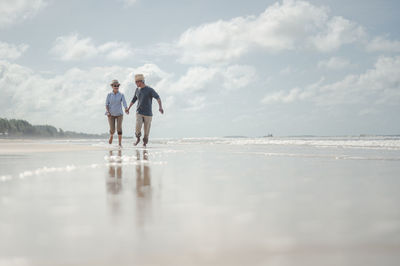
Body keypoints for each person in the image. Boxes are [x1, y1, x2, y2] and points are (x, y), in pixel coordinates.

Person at [127, 74, 164, 147]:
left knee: (146, 131)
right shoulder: (137, 90)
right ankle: (138, 138)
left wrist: (160, 107)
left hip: (148, 113)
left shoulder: (149, 89)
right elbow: (134, 99)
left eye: (136, 82)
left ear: (141, 81)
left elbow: (158, 98)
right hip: (139, 112)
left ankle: (144, 143)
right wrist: (128, 108)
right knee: (138, 127)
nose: (136, 84)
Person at [105, 79, 128, 147]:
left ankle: (120, 143)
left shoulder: (121, 95)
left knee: (119, 128)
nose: (116, 87)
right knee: (112, 129)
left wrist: (126, 108)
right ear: (112, 86)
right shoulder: (109, 95)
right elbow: (106, 104)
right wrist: (108, 112)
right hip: (111, 114)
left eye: (117, 85)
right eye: (115, 85)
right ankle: (111, 136)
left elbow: (124, 103)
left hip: (119, 114)